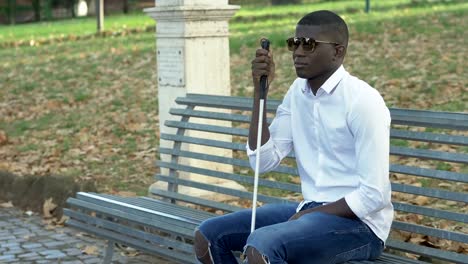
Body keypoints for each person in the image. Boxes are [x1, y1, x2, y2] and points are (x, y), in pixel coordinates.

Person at [193, 10, 393, 264]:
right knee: (209, 235)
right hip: (309, 211)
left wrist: (309, 215)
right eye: (294, 43)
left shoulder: (363, 101)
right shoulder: (297, 93)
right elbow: (262, 161)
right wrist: (260, 92)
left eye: (308, 44)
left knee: (262, 246)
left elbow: (374, 195)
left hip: (360, 227)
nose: (298, 52)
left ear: (337, 52)